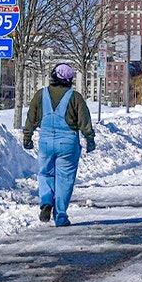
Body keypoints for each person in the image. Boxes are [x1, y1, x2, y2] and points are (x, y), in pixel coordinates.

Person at [22, 63, 95, 227]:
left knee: (45, 173)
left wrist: (27, 136)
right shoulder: (75, 97)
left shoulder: (41, 95)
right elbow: (84, 120)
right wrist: (89, 139)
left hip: (46, 141)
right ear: (70, 80)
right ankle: (60, 216)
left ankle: (46, 200)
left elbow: (31, 117)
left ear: (53, 76)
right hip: (68, 143)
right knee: (65, 178)